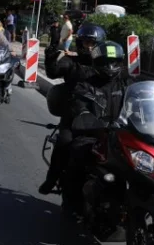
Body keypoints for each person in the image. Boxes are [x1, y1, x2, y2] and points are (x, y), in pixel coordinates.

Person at [39, 23, 109, 199]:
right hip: (74, 117)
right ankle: (51, 178)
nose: (89, 47)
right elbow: (53, 72)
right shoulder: (72, 63)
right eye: (85, 43)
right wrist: (53, 47)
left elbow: (122, 83)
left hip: (101, 118)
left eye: (92, 43)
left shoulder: (108, 67)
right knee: (64, 141)